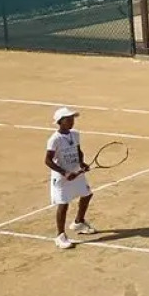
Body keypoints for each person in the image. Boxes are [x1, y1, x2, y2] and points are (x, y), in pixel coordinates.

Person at [46, 107, 94, 250]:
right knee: (63, 204)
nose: (72, 121)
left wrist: (81, 164)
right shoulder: (54, 139)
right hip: (61, 177)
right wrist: (65, 173)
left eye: (72, 118)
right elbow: (48, 161)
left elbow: (78, 151)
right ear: (60, 122)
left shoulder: (75, 134)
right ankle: (60, 236)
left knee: (87, 195)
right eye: (68, 119)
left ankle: (79, 222)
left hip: (76, 172)